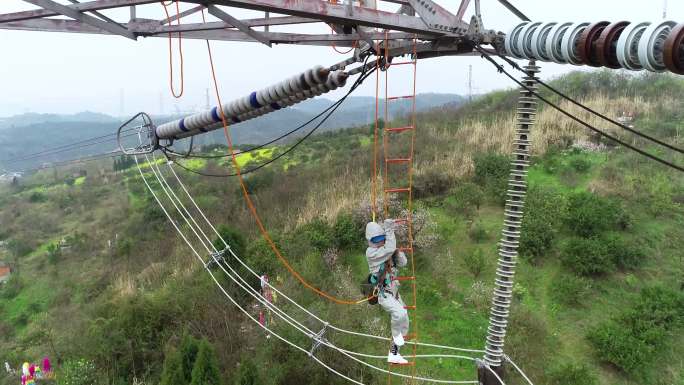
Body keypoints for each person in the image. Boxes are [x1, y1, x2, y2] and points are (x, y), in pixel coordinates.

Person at [365, 219, 409, 364]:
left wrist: (398, 254)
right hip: (384, 293)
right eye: (376, 239)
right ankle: (394, 346)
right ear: (370, 241)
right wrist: (390, 231)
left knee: (404, 321)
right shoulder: (371, 253)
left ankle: (394, 352)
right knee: (399, 313)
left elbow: (403, 263)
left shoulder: (387, 250)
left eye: (381, 238)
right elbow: (389, 248)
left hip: (394, 291)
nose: (379, 242)